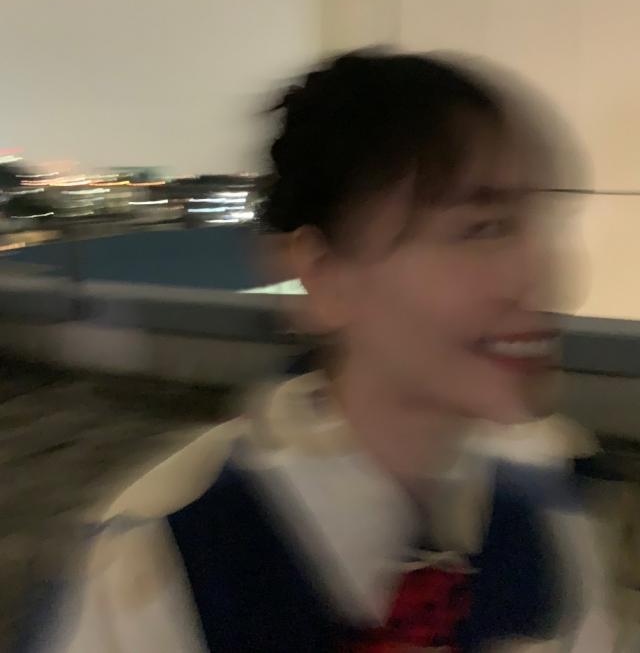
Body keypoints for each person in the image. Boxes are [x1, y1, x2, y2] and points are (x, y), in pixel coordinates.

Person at [29, 51, 619, 653]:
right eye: (482, 227)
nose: (540, 274)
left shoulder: (548, 510)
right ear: (323, 273)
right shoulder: (161, 562)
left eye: (541, 221)